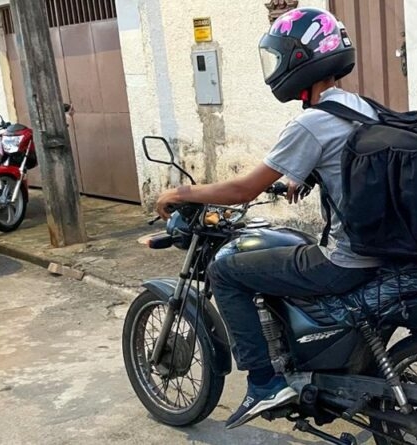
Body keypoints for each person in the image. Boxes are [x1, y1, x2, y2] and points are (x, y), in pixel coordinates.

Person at [155, 7, 382, 429]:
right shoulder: (359, 107)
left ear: (300, 60)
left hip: (345, 260)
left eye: (278, 58)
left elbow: (243, 190)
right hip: (379, 247)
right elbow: (349, 163)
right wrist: (305, 174)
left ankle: (263, 382)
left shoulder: (311, 123)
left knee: (226, 271)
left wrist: (182, 192)